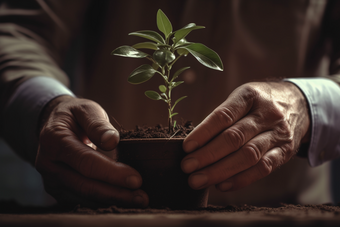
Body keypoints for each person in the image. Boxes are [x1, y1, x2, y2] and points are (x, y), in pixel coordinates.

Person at [1, 0, 340, 207]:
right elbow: (17, 31)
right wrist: (46, 106)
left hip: (286, 212)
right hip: (106, 210)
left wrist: (308, 104)